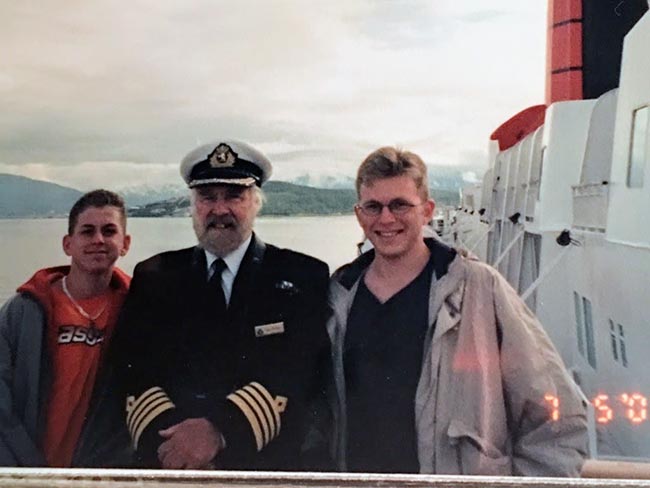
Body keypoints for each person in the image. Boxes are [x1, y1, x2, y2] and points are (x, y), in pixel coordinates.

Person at [327, 147, 589, 476]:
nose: (386, 219)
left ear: (427, 211)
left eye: (400, 205)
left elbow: (555, 411)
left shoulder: (480, 288)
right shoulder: (338, 296)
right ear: (359, 214)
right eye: (373, 207)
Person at [112, 139, 331, 470]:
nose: (219, 209)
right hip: (171, 468)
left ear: (256, 203)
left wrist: (219, 433)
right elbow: (131, 372)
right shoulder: (155, 276)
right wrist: (178, 450)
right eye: (207, 197)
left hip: (261, 468)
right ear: (193, 205)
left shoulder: (302, 276)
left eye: (233, 196)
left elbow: (300, 373)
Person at [0, 189, 132, 467]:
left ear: (125, 244)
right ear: (67, 244)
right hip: (24, 471)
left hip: (99, 476)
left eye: (109, 231)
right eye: (87, 231)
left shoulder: (138, 310)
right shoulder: (23, 311)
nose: (98, 239)